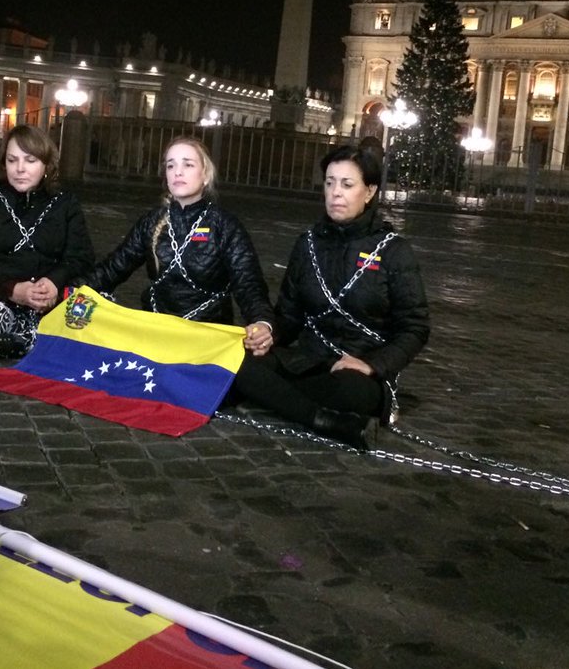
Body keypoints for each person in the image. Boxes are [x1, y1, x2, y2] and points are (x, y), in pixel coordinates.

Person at [227, 144, 431, 449]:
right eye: (330, 182)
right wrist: (269, 331)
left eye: (347, 185)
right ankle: (324, 420)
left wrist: (371, 364)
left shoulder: (393, 250)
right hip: (307, 362)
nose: (335, 192)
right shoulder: (307, 244)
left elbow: (415, 327)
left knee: (351, 393)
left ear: (370, 191)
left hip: (357, 373)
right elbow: (289, 316)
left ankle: (278, 397)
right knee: (237, 363)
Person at [86, 136, 273, 353]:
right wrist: (65, 288)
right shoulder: (152, 221)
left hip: (206, 340)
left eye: (188, 164)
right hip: (156, 334)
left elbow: (248, 283)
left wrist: (262, 322)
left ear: (205, 175)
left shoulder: (225, 225)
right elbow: (114, 268)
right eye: (171, 165)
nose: (178, 171)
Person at [0, 124, 95, 360]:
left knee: (97, 304)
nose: (20, 169)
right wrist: (12, 289)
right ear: (3, 163)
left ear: (46, 164)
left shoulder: (65, 204)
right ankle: (45, 339)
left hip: (49, 302)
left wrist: (53, 283)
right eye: (12, 160)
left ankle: (16, 342)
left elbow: (81, 256)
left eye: (30, 160)